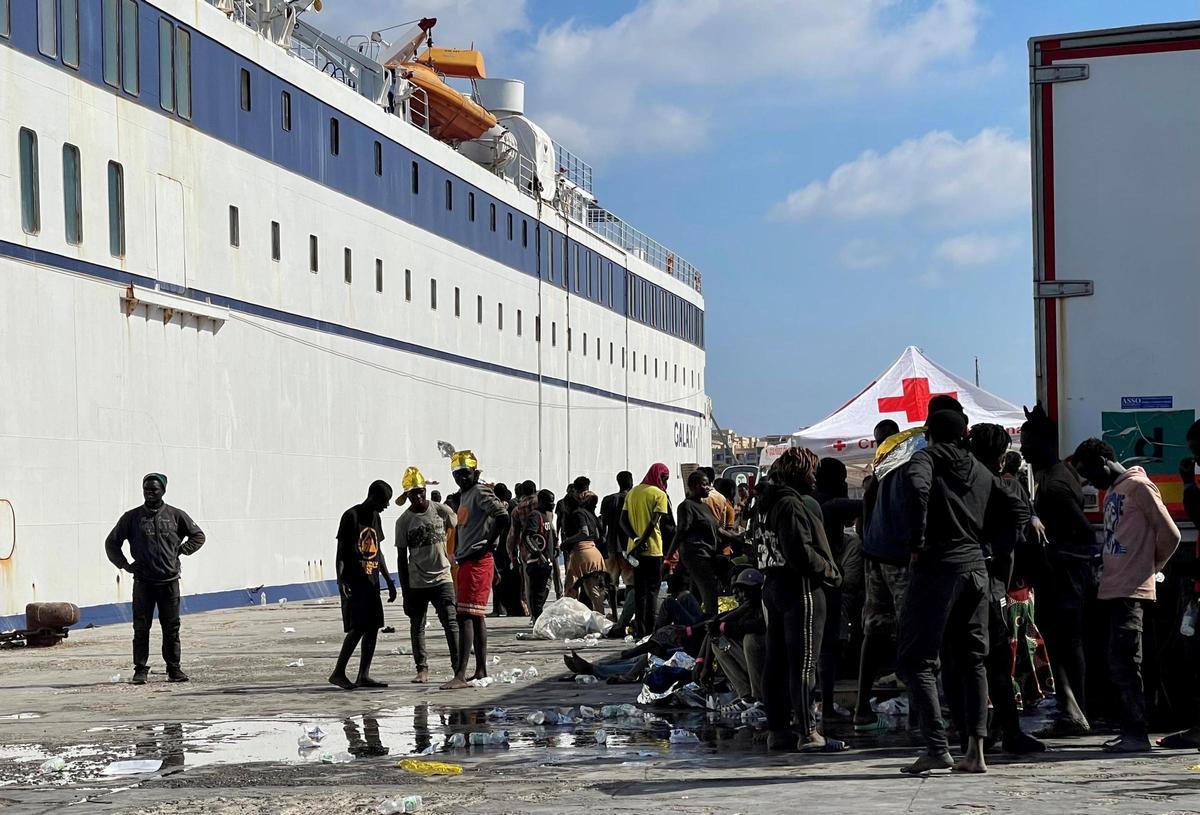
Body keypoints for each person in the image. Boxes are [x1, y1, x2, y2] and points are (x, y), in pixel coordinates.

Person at [896, 410, 1023, 775]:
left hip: (939, 569)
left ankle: (937, 747)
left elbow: (917, 488)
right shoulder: (982, 470)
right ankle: (976, 752)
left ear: (928, 433)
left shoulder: (925, 459)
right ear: (963, 434)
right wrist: (993, 549)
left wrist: (917, 540)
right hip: (976, 571)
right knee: (973, 659)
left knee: (916, 660)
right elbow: (1015, 507)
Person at [1072, 438, 1180, 753]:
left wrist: (1150, 567)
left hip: (1132, 589)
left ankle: (1136, 733)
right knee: (1118, 663)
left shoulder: (1139, 487)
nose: (1088, 480)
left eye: (1088, 471)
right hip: (1115, 588)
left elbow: (1170, 533)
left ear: (1103, 461)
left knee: (1127, 662)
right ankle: (1129, 729)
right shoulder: (1116, 491)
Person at [757, 448, 842, 752]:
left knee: (776, 662)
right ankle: (808, 733)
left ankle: (778, 730)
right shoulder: (791, 504)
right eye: (813, 471)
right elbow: (801, 553)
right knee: (804, 663)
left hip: (773, 585)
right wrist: (829, 570)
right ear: (801, 472)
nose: (815, 478)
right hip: (800, 588)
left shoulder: (765, 502)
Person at [967, 424, 1045, 754]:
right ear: (1001, 457)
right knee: (997, 664)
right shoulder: (1001, 487)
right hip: (991, 586)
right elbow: (1010, 544)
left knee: (970, 663)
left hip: (961, 582)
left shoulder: (961, 484)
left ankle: (979, 735)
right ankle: (1004, 731)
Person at [1020, 403, 1096, 737]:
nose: (1022, 449)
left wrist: (1052, 554)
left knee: (1066, 644)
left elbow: (1084, 534)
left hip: (1063, 578)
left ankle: (1074, 712)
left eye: (1028, 441)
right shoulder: (1052, 478)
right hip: (1059, 577)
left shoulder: (1055, 486)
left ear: (1046, 443)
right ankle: (1072, 709)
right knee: (1063, 644)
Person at [104, 473, 206, 685]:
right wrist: (125, 565)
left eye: (154, 489)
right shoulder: (131, 518)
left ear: (163, 491)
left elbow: (198, 536)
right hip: (143, 583)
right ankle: (140, 669)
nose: (149, 493)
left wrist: (181, 551)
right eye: (146, 489)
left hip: (169, 582)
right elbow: (111, 543)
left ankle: (174, 668)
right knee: (141, 628)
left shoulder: (176, 515)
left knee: (171, 628)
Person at [853, 418, 908, 731]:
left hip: (874, 560)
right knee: (912, 629)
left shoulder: (876, 476)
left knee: (873, 633)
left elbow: (862, 525)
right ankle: (926, 710)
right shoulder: (904, 472)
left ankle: (862, 706)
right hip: (898, 561)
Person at [441, 451, 510, 690]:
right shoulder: (465, 495)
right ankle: (480, 669)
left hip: (477, 559)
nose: (461, 478)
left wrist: (488, 545)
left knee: (466, 616)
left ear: (475, 472)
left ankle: (460, 674)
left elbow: (502, 516)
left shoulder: (479, 492)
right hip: (470, 560)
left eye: (465, 473)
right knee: (476, 615)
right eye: (457, 474)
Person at [394, 467, 460, 684]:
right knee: (417, 626)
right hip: (417, 582)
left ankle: (458, 668)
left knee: (450, 622)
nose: (419, 496)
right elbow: (401, 558)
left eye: (421, 491)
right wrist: (405, 590)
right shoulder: (403, 522)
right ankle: (422, 669)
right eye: (414, 493)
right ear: (408, 496)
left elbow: (458, 527)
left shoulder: (441, 511)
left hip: (442, 578)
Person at [331, 480, 397, 690]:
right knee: (358, 627)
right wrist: (341, 580)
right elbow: (341, 553)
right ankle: (338, 672)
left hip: (372, 583)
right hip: (355, 582)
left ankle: (363, 675)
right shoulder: (351, 516)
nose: (386, 506)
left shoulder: (375, 518)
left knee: (373, 627)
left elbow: (379, 551)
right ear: (373, 497)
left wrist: (388, 580)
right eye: (384, 501)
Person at [814, 457, 863, 723]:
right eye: (843, 479)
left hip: (811, 582)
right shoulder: (829, 504)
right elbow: (865, 506)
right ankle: (828, 705)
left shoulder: (810, 501)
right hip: (826, 582)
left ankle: (814, 705)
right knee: (826, 648)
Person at [672, 470, 737, 617]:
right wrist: (669, 558)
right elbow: (681, 532)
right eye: (704, 484)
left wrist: (737, 538)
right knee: (710, 592)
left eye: (708, 484)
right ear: (693, 486)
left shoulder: (705, 507)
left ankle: (696, 625)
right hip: (696, 555)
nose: (708, 488)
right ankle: (710, 628)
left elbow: (718, 529)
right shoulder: (686, 506)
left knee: (698, 594)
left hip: (708, 554)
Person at [621, 464, 671, 638]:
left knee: (639, 592)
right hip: (653, 550)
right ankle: (650, 631)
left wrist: (635, 540)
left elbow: (623, 521)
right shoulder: (659, 494)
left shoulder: (632, 493)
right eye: (665, 478)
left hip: (633, 551)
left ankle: (639, 630)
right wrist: (642, 541)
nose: (666, 482)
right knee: (652, 592)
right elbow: (654, 522)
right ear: (659, 476)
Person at [710, 568, 767, 710]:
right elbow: (714, 626)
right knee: (718, 643)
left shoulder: (765, 604)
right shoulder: (746, 608)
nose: (743, 595)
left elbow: (759, 626)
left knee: (751, 639)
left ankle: (760, 700)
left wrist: (729, 626)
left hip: (771, 662)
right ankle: (746, 696)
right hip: (754, 664)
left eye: (746, 590)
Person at [563, 490, 608, 615]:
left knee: (570, 589)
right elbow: (598, 535)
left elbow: (585, 532)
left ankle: (569, 617)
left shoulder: (578, 513)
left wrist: (566, 542)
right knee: (595, 592)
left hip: (581, 553)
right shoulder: (590, 514)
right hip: (594, 552)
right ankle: (600, 619)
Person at [518, 489, 558, 622]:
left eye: (553, 501)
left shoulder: (546, 514)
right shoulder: (535, 516)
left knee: (542, 593)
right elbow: (528, 537)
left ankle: (537, 619)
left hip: (546, 561)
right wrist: (538, 554)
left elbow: (550, 534)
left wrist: (555, 547)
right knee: (537, 595)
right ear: (540, 501)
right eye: (549, 501)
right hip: (537, 563)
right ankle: (536, 620)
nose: (552, 504)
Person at [600, 471, 635, 619]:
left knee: (611, 584)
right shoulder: (632, 498)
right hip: (628, 546)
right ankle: (627, 615)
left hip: (611, 546)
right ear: (631, 482)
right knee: (630, 584)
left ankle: (614, 614)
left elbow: (603, 524)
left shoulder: (607, 500)